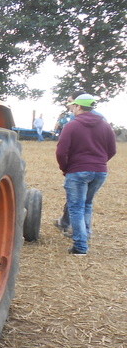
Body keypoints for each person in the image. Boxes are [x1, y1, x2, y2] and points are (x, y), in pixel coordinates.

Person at [55, 93, 116, 255]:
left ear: (78, 106)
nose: (72, 109)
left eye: (73, 106)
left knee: (76, 207)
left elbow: (61, 151)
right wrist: (99, 162)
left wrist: (65, 168)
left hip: (77, 171)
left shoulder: (72, 126)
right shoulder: (105, 125)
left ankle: (81, 246)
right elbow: (112, 150)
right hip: (100, 171)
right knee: (87, 204)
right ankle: (86, 234)